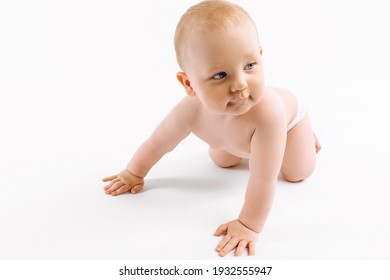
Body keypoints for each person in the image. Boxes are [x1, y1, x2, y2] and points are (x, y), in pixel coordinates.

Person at [102, 0, 321, 257]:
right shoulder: (190, 110)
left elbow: (262, 178)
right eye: (220, 76)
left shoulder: (269, 113)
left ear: (260, 57)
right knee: (222, 160)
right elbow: (157, 143)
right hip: (236, 137)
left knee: (297, 172)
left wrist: (249, 226)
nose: (240, 85)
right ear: (189, 83)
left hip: (287, 122)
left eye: (249, 66)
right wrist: (133, 173)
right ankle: (248, 144)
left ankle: (304, 137)